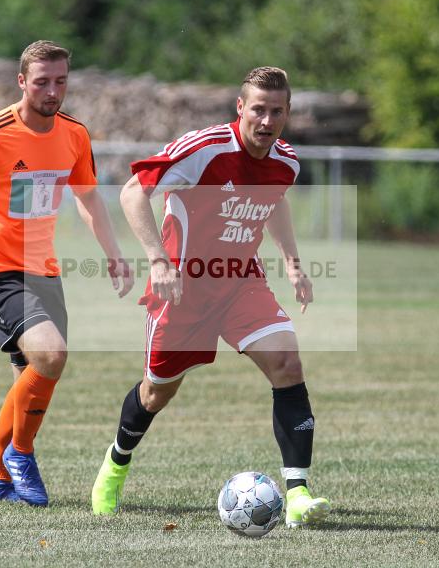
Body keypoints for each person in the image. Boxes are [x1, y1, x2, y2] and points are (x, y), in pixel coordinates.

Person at [90, 66, 330, 528]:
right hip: (183, 288)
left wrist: (294, 263)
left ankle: (298, 494)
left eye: (276, 111)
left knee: (287, 364)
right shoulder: (204, 149)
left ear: (287, 113)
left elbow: (274, 203)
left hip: (242, 281)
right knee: (157, 392)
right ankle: (116, 464)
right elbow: (132, 193)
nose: (266, 120)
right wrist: (159, 262)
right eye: (257, 109)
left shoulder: (287, 162)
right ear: (240, 107)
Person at [0, 40, 133, 506]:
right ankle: (20, 454)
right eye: (42, 82)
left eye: (61, 81)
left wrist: (114, 253)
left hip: (45, 271)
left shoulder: (74, 134)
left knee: (28, 375)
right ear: (22, 81)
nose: (52, 91)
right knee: (52, 356)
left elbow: (87, 196)